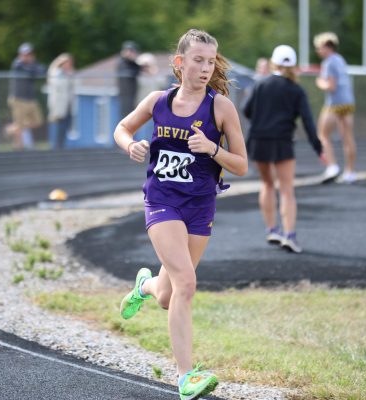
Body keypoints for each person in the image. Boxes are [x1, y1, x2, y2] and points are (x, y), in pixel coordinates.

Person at [113, 28, 247, 400]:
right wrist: (130, 146)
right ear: (180, 63)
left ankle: (144, 286)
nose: (205, 68)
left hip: (200, 205)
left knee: (169, 296)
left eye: (211, 61)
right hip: (162, 201)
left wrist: (211, 149)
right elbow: (122, 128)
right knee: (187, 284)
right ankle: (186, 377)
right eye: (198, 60)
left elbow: (241, 165)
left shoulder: (220, 108)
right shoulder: (158, 101)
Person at [243, 45, 324, 253]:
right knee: (287, 190)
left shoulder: (260, 84)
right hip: (282, 141)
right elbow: (307, 121)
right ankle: (289, 235)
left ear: (273, 62)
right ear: (293, 65)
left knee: (267, 184)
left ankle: (272, 229)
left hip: (258, 139)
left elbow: (246, 110)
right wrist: (318, 147)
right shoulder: (295, 89)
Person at [314, 32, 357, 183]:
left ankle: (332, 167)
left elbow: (331, 86)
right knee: (348, 137)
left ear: (327, 47)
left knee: (323, 134)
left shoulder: (329, 62)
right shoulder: (340, 59)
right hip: (348, 102)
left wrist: (320, 82)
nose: (318, 51)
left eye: (319, 47)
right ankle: (350, 172)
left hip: (335, 104)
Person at [7, 42, 45, 150]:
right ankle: (19, 146)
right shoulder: (17, 64)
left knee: (38, 121)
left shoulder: (33, 64)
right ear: (20, 55)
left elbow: (42, 70)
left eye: (29, 54)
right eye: (25, 54)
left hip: (30, 99)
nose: (27, 56)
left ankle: (10, 129)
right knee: (19, 124)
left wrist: (33, 66)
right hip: (18, 99)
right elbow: (31, 71)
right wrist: (32, 66)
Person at [47, 53, 75, 149]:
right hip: (58, 107)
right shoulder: (56, 73)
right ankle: (56, 148)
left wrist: (70, 75)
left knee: (65, 128)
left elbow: (74, 86)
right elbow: (59, 85)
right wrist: (67, 76)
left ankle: (61, 146)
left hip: (68, 106)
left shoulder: (70, 73)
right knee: (58, 128)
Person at [116, 40, 141, 119]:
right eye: (127, 51)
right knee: (126, 118)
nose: (129, 53)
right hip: (125, 95)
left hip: (132, 95)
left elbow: (137, 67)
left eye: (131, 51)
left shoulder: (132, 63)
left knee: (133, 117)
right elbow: (133, 71)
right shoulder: (122, 63)